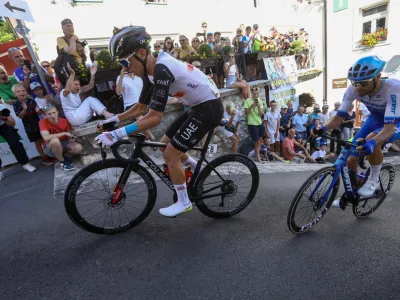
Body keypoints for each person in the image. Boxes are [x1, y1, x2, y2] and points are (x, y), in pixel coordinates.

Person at [96, 26, 223, 218]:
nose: (125, 68)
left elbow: (155, 117)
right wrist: (113, 121)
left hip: (209, 108)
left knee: (171, 155)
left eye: (125, 61)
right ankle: (197, 168)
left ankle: (184, 202)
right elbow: (140, 108)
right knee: (164, 145)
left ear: (141, 53)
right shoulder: (150, 72)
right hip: (197, 106)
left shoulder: (162, 70)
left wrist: (117, 134)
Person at [315, 56, 400, 205]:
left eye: (364, 82)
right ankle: (353, 192)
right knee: (350, 159)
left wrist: (373, 142)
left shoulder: (393, 88)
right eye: (355, 82)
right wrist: (321, 128)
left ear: (378, 77)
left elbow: (388, 129)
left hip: (394, 123)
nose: (358, 87)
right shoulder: (353, 89)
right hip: (374, 119)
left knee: (373, 140)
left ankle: (373, 181)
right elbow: (338, 118)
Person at [12, 84, 55, 165]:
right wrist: (24, 109)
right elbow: (20, 116)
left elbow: (39, 111)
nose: (21, 92)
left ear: (26, 92)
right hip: (29, 127)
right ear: (15, 94)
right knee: (37, 142)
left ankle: (50, 155)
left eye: (23, 91)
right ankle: (44, 158)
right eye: (18, 91)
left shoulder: (31, 100)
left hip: (38, 123)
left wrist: (39, 110)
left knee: (44, 140)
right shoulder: (16, 104)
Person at [116, 67, 155, 141]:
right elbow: (118, 92)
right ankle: (152, 138)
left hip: (141, 104)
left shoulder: (138, 78)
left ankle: (147, 138)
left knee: (150, 117)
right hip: (130, 105)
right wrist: (121, 77)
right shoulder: (121, 78)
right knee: (142, 119)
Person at [40, 104, 83, 170]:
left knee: (78, 147)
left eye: (54, 113)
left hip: (63, 143)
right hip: (50, 147)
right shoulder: (42, 122)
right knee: (55, 141)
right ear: (45, 116)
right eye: (49, 114)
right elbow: (46, 137)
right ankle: (62, 161)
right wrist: (63, 133)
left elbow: (68, 135)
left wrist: (71, 139)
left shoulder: (64, 121)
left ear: (57, 112)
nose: (52, 115)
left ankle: (66, 155)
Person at [0, 101, 36, 180]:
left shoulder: (2, 108)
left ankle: (25, 163)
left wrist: (3, 118)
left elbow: (12, 123)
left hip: (4, 126)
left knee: (15, 143)